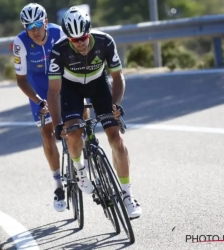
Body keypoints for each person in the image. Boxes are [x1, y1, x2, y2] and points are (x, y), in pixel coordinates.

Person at [47, 6, 142, 219]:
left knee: (116, 138)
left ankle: (128, 195)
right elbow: (53, 92)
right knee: (72, 133)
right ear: (68, 38)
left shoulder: (105, 42)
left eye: (83, 37)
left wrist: (115, 105)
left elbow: (118, 78)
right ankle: (80, 170)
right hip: (71, 89)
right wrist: (57, 125)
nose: (80, 43)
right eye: (74, 40)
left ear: (89, 31)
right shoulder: (58, 50)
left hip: (99, 86)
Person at [13, 3, 67, 212]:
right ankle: (58, 186)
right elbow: (21, 80)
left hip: (61, 81)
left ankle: (84, 155)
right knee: (47, 134)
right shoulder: (21, 42)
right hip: (38, 89)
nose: (33, 31)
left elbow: (70, 64)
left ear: (45, 22)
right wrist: (38, 100)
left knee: (77, 115)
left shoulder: (58, 32)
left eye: (37, 25)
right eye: (28, 26)